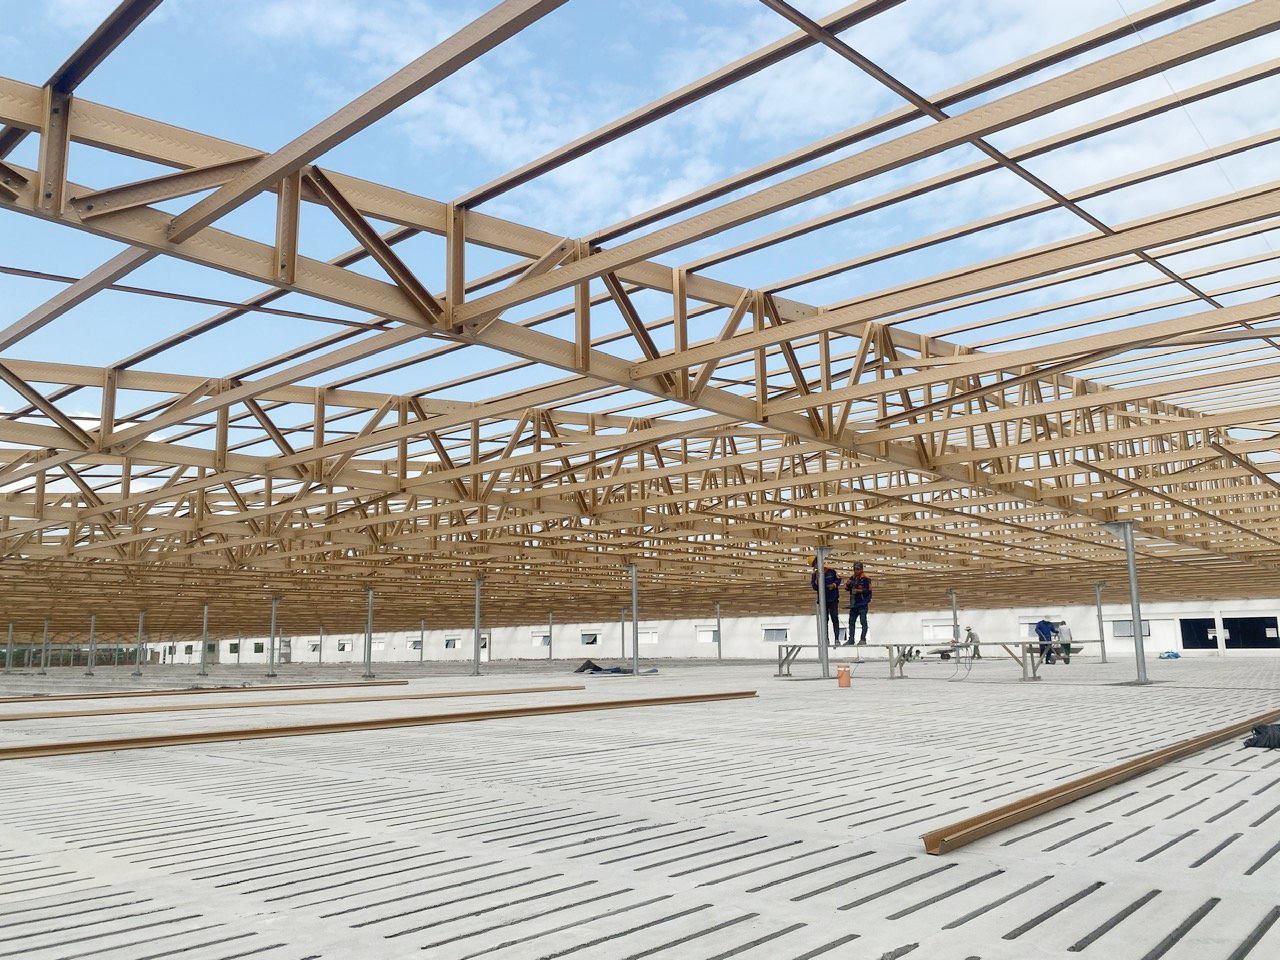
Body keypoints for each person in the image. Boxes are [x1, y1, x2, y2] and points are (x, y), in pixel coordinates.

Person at [810, 558, 842, 645]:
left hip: (833, 599)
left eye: (816, 564)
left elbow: (839, 579)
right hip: (822, 600)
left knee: (834, 618)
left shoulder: (831, 571)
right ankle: (826, 639)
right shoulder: (815, 575)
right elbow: (814, 587)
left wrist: (834, 585)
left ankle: (837, 639)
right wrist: (817, 579)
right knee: (824, 620)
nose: (816, 566)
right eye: (815, 565)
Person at [845, 561, 872, 645]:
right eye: (855, 569)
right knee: (851, 621)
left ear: (861, 569)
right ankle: (851, 639)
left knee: (863, 621)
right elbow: (847, 588)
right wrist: (848, 584)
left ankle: (863, 639)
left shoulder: (866, 579)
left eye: (858, 569)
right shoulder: (852, 578)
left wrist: (858, 590)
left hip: (862, 603)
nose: (856, 571)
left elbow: (869, 591)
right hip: (854, 604)